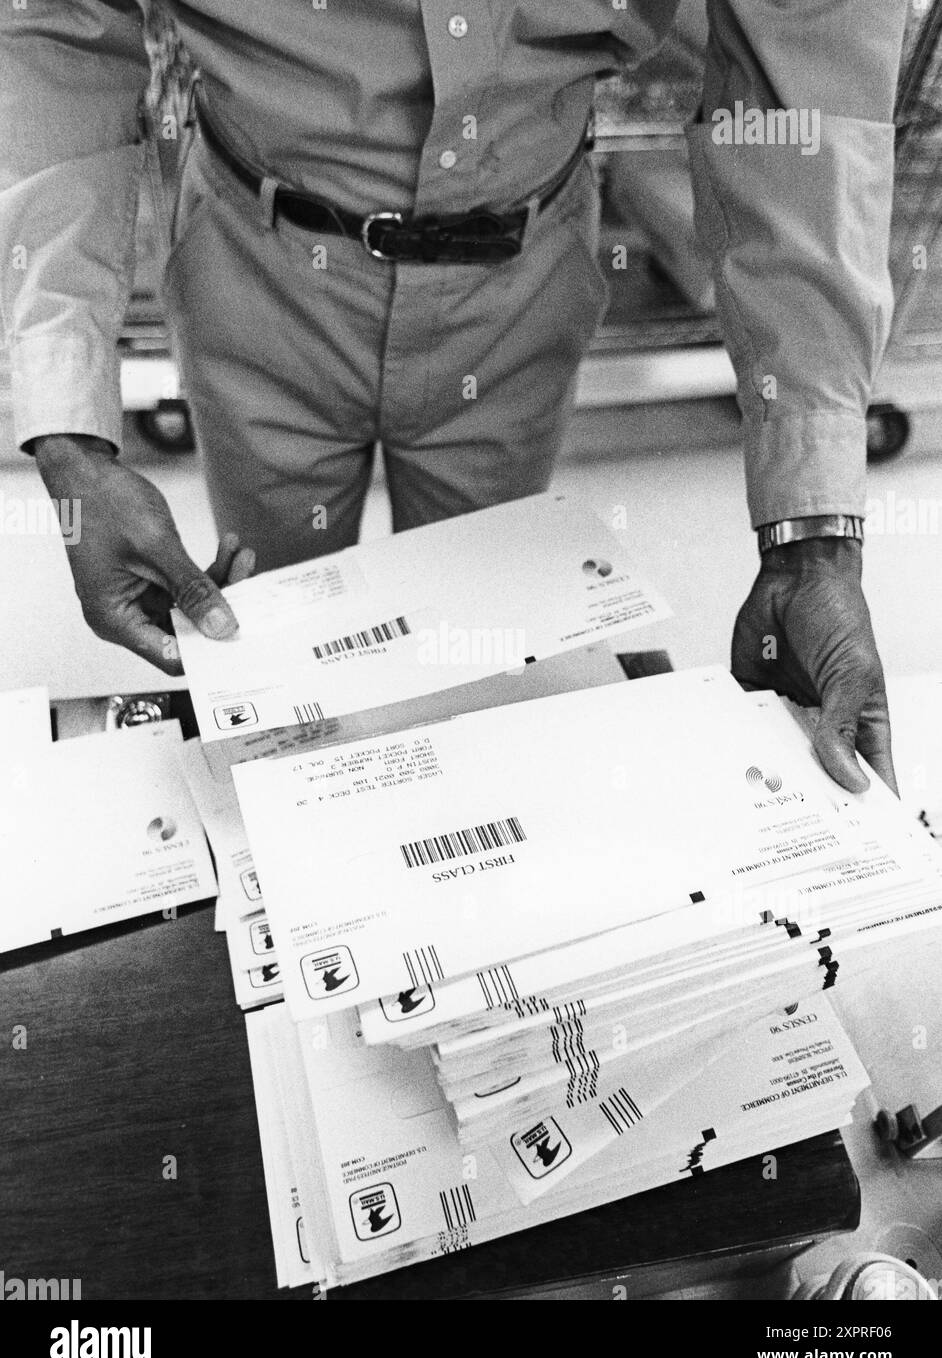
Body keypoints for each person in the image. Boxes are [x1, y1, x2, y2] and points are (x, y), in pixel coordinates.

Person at [0, 1, 904, 792]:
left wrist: (812, 540)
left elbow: (804, 72)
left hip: (522, 271)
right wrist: (69, 434)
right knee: (275, 625)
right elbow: (50, 29)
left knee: (483, 649)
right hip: (256, 258)